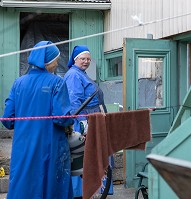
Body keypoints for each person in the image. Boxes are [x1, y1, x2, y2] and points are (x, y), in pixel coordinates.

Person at [1, 41, 74, 199]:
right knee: (50, 186)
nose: (57, 63)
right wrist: (72, 117)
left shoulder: (18, 83)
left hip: (23, 147)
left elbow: (7, 119)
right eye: (56, 59)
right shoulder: (57, 83)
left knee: (23, 186)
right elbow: (62, 118)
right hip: (50, 146)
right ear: (48, 61)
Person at [64, 45, 111, 198]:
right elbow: (74, 102)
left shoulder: (82, 74)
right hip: (83, 122)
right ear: (75, 59)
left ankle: (96, 188)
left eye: (88, 59)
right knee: (83, 156)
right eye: (83, 59)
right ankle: (81, 192)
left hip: (93, 119)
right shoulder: (73, 75)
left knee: (92, 156)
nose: (86, 62)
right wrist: (83, 123)